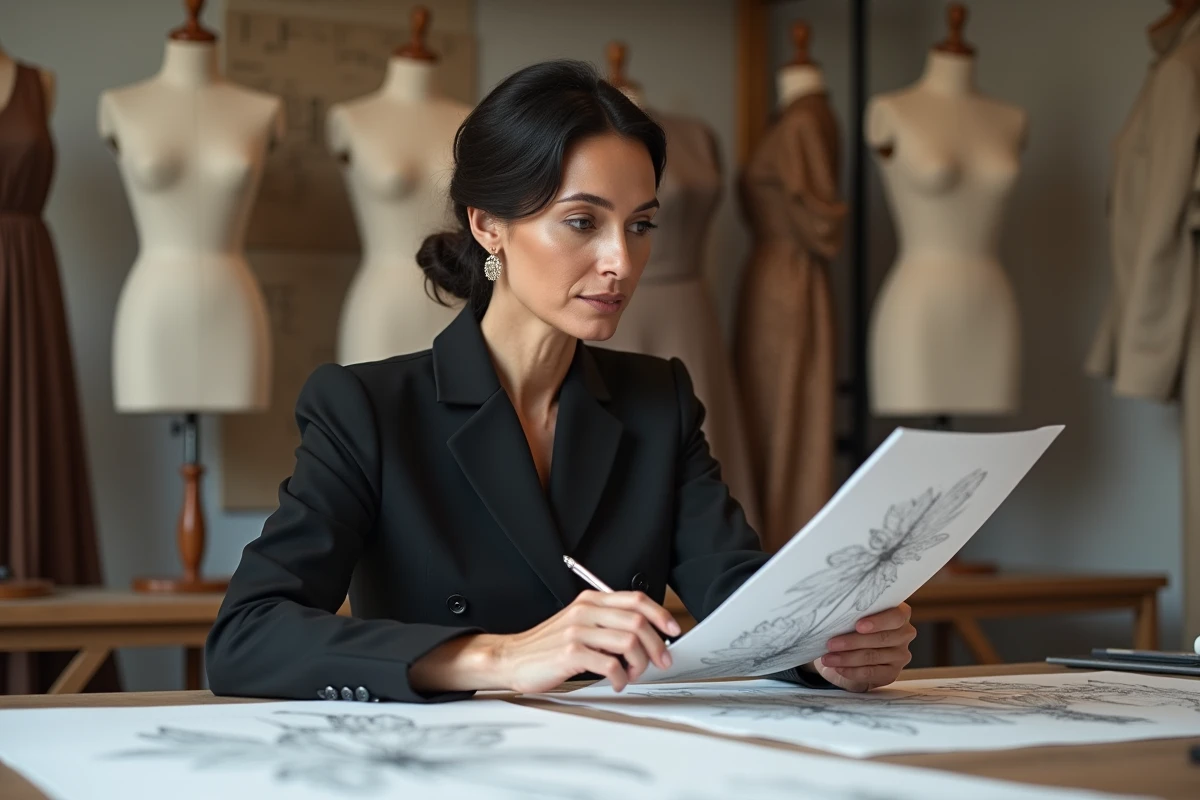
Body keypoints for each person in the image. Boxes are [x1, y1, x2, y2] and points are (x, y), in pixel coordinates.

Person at [205, 60, 915, 704]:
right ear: (488, 225)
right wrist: (498, 656)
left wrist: (827, 646)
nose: (620, 262)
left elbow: (737, 596)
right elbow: (246, 636)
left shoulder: (658, 401)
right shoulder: (367, 408)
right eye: (582, 221)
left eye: (640, 226)